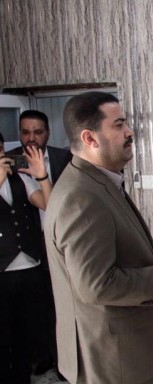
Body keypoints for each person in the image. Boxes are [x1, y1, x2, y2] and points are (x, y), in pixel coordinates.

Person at [44, 91, 153, 384]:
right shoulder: (80, 196)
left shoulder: (98, 180)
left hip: (123, 353)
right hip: (112, 359)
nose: (130, 132)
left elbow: (107, 252)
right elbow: (95, 285)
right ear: (90, 138)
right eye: (119, 124)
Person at [7, 109, 72, 376]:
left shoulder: (64, 158)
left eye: (37, 132)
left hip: (63, 240)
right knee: (39, 308)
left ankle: (66, 360)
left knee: (63, 303)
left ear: (47, 133)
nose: (31, 138)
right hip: (29, 246)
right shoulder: (10, 162)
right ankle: (45, 356)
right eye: (25, 132)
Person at [0, 132, 53, 383]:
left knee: (26, 331)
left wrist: (41, 175)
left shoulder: (20, 178)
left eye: (0, 149)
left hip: (30, 266)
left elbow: (48, 204)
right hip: (2, 270)